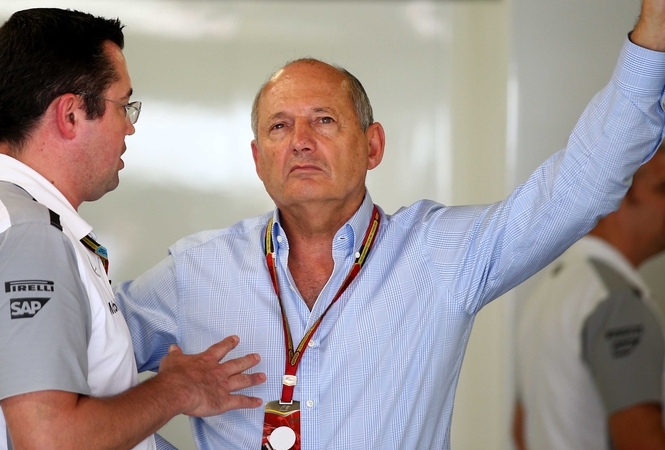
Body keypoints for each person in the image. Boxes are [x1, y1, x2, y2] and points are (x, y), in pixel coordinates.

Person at [115, 0, 665, 448]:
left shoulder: (439, 254)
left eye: (324, 120)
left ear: (373, 146)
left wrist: (654, 32)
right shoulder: (196, 270)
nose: (301, 140)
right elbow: (71, 375)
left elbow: (582, 184)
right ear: (259, 160)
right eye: (280, 126)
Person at [0, 8, 265, 450]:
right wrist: (177, 390)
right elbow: (52, 440)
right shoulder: (25, 238)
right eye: (123, 105)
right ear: (70, 115)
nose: (130, 126)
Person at [513, 147, 665, 450]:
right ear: (620, 192)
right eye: (663, 189)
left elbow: (521, 430)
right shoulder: (617, 303)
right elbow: (640, 441)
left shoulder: (550, 290)